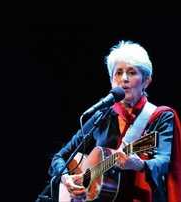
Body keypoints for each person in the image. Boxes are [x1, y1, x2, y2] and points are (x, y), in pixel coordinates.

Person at [48, 40, 181, 201]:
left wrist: (139, 164)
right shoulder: (101, 116)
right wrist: (66, 178)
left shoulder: (160, 116)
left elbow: (164, 162)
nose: (124, 78)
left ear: (146, 81)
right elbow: (60, 157)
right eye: (118, 73)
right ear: (112, 81)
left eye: (132, 72)